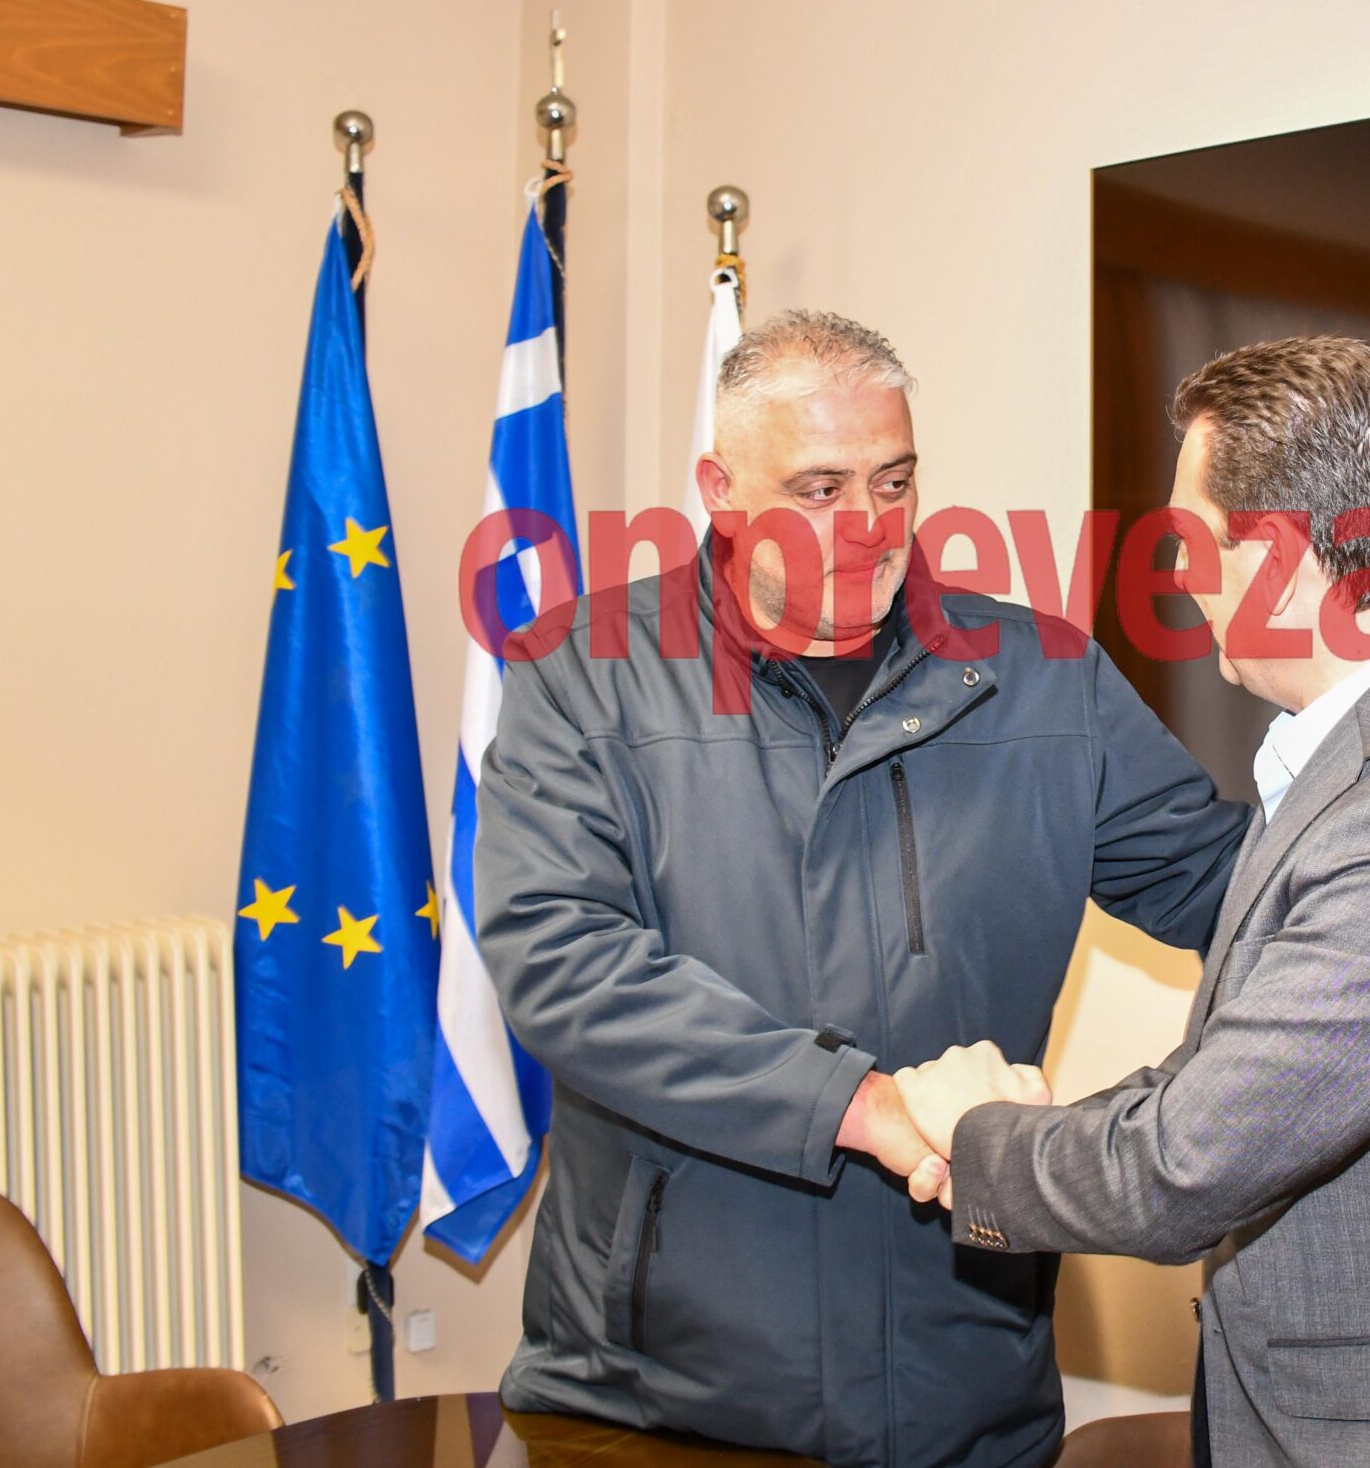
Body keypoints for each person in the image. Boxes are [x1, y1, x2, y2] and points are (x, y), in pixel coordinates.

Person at [473, 310, 1249, 1468]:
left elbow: (1233, 889)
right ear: (720, 492)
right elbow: (560, 966)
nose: (869, 527)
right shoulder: (583, 674)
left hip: (963, 1387)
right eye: (820, 489)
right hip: (664, 1403)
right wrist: (859, 1103)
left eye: (893, 482)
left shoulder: (1045, 678)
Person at [894, 336, 1370, 1467]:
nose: (1178, 577)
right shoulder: (1358, 751)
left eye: (1190, 542)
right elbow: (1242, 1070)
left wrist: (973, 1134)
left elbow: (1187, 1164)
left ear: (1283, 563)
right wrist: (1024, 1132)